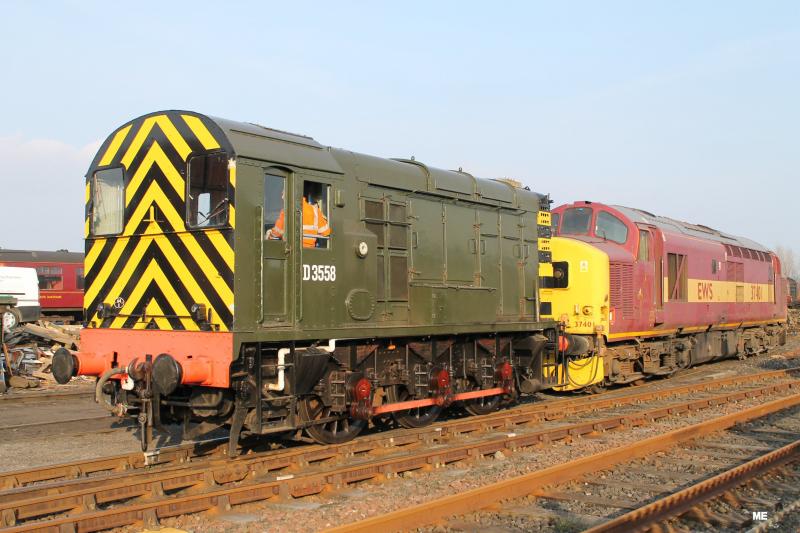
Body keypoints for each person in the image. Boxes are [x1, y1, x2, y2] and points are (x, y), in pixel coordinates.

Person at [266, 188, 330, 248]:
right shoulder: (314, 209)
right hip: (310, 250)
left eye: (283, 194)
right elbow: (326, 232)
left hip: (291, 248)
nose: (282, 197)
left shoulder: (286, 210)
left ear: (292, 194)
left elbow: (277, 232)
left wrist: (270, 233)